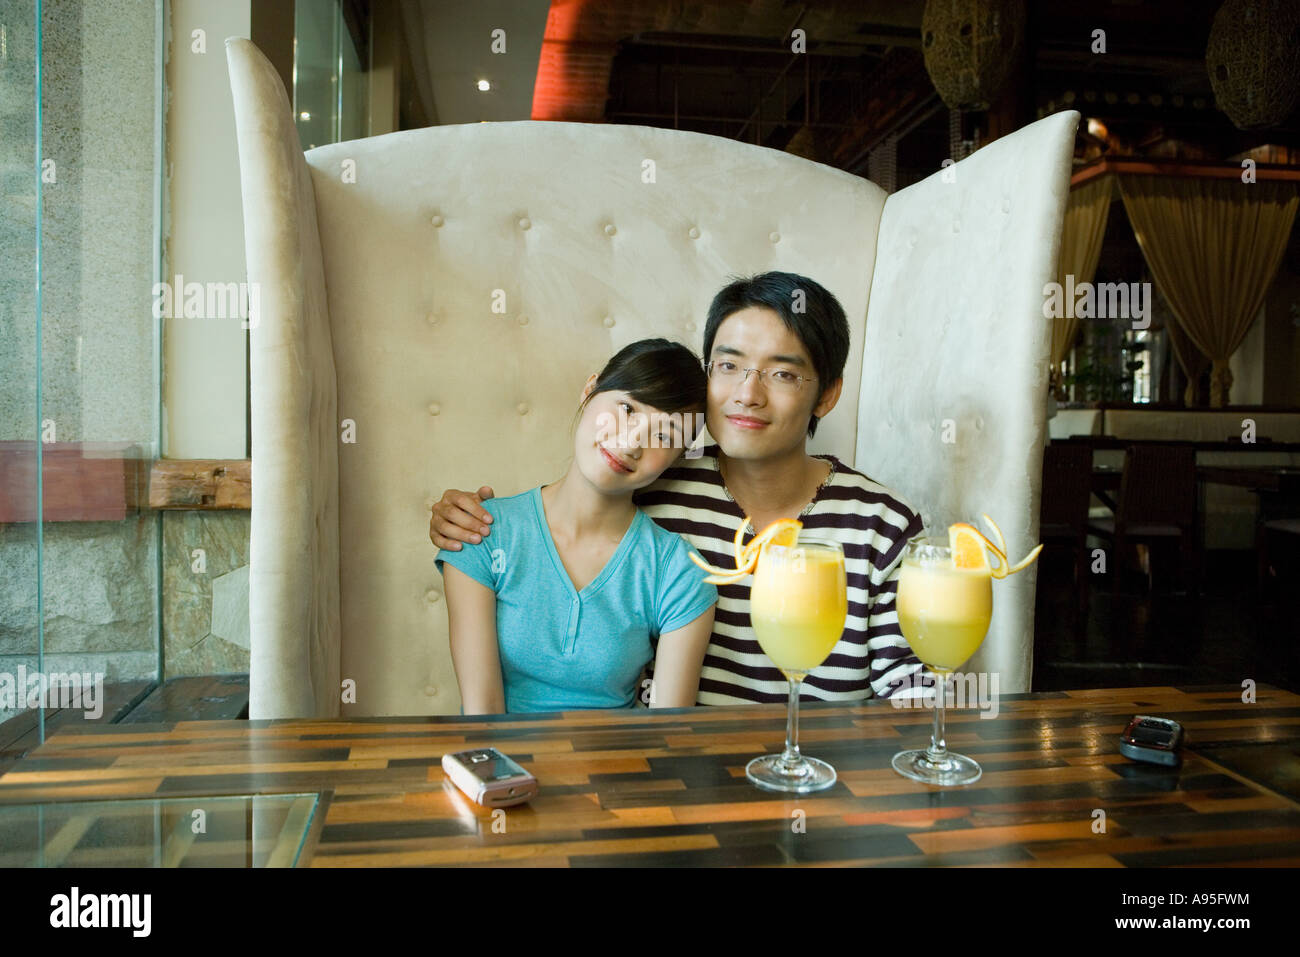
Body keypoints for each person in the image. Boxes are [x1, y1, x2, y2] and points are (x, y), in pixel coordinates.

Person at [432, 272, 926, 706]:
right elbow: (567, 515)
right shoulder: (656, 485)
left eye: (781, 374)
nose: (747, 395)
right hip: (682, 781)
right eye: (728, 366)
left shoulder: (881, 524)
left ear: (828, 394)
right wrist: (465, 517)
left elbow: (914, 697)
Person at [435, 338, 717, 714]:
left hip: (623, 767)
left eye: (664, 436)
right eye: (627, 408)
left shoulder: (680, 570)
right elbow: (482, 713)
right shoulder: (481, 532)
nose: (632, 442)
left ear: (677, 457)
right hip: (502, 767)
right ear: (589, 389)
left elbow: (665, 732)